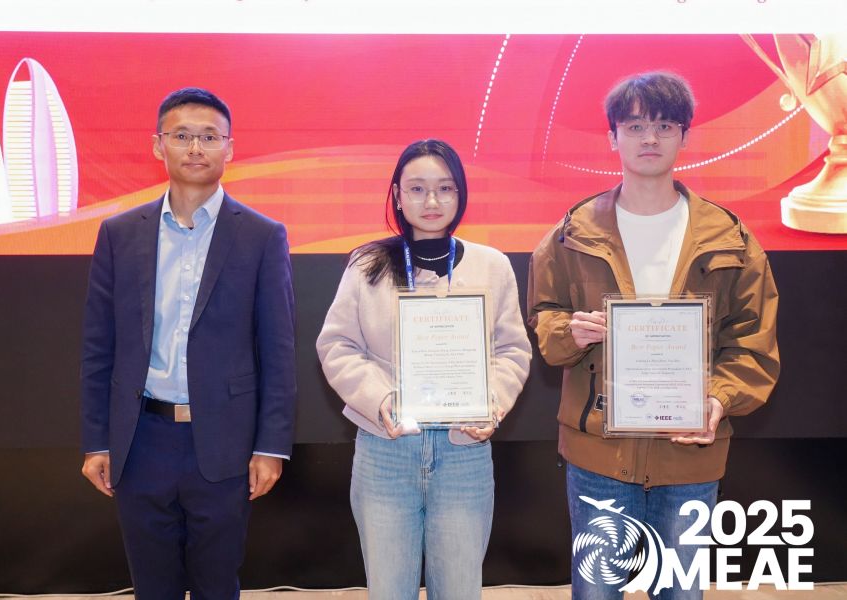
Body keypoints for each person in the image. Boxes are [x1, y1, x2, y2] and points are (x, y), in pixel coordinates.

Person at [527, 72, 779, 599]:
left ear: (685, 136)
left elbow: (752, 343)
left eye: (665, 126)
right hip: (598, 454)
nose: (649, 138)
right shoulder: (572, 233)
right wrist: (569, 331)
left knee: (681, 592)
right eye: (635, 126)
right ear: (612, 137)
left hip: (689, 452)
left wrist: (717, 399)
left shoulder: (730, 238)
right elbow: (544, 318)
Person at [79, 87, 296, 600]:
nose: (195, 148)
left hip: (224, 440)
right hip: (141, 439)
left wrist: (270, 446)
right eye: (181, 136)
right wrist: (96, 441)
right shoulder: (119, 233)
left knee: (217, 584)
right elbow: (98, 346)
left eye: (209, 137)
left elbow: (279, 351)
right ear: (158, 145)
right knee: (152, 586)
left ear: (229, 149)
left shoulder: (262, 236)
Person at [317, 139, 531, 599]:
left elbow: (512, 350)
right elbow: (337, 345)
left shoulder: (492, 266)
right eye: (417, 188)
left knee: (459, 589)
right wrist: (380, 398)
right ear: (397, 196)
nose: (431, 201)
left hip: (463, 451)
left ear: (461, 193)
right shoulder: (367, 264)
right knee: (389, 589)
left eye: (445, 188)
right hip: (386, 449)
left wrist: (491, 403)